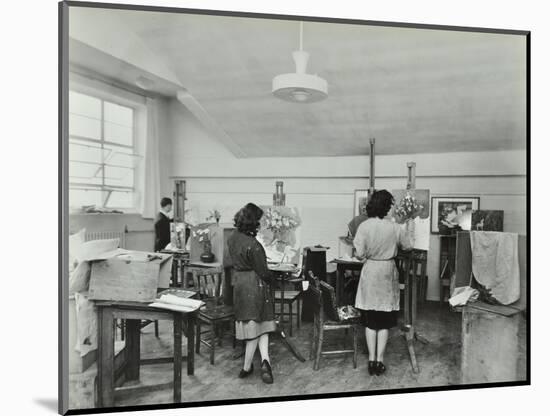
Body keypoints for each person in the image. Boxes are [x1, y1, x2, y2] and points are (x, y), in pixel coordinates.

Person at [353, 190, 412, 376]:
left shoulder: (364, 226)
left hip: (371, 272)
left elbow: (359, 253)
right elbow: (408, 246)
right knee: (384, 321)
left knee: (371, 321)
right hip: (387, 272)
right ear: (387, 207)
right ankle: (379, 361)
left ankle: (371, 361)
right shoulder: (394, 227)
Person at [226, 203, 276, 384]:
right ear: (253, 222)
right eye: (259, 220)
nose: (260, 224)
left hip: (240, 284)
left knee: (258, 325)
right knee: (255, 327)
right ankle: (247, 366)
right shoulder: (254, 245)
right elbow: (263, 272)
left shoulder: (232, 238)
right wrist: (273, 280)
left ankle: (264, 362)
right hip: (255, 286)